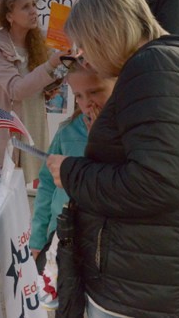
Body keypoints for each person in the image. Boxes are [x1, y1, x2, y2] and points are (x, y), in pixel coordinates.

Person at [45, 0, 179, 318]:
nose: (84, 57)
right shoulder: (169, 63)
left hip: (140, 287)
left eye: (85, 46)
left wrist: (71, 172)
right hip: (151, 275)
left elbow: (155, 183)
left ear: (105, 32)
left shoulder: (154, 68)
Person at [30, 59, 116, 309]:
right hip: (63, 236)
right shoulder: (67, 132)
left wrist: (101, 139)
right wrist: (38, 238)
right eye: (78, 95)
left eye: (95, 92)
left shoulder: (125, 136)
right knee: (63, 302)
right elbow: (46, 184)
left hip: (101, 245)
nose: (87, 102)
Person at [0, 0, 63, 185]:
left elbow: (42, 80)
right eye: (25, 7)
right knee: (0, 187)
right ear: (9, 16)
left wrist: (58, 75)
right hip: (4, 129)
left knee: (24, 185)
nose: (34, 11)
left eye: (34, 5)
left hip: (31, 122)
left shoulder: (38, 45)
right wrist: (51, 65)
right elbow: (16, 90)